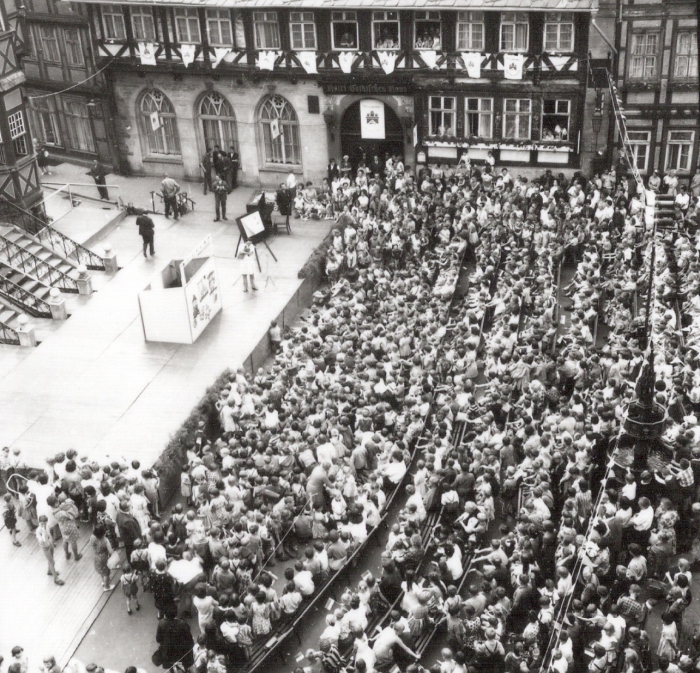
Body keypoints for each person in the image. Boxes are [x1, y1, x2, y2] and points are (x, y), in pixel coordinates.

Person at [154, 605, 195, 671]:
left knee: (172, 665)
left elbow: (158, 639)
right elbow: (189, 639)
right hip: (181, 651)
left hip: (168, 652)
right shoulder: (182, 624)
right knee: (183, 664)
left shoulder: (161, 623)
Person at [48, 493, 82, 561]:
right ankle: (76, 556)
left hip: (62, 527)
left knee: (65, 540)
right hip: (70, 526)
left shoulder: (53, 511)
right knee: (73, 542)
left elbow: (60, 508)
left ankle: (67, 554)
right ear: (55, 503)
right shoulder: (62, 512)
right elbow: (72, 517)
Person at [36, 515, 64, 585]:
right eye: (42, 524)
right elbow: (42, 540)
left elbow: (49, 535)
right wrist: (43, 533)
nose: (43, 525)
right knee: (52, 562)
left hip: (50, 544)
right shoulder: (38, 531)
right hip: (45, 547)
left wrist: (53, 542)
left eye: (45, 523)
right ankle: (56, 578)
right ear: (39, 523)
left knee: (51, 558)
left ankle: (50, 571)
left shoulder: (47, 526)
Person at [90, 524, 115, 592]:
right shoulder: (105, 540)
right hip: (104, 558)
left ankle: (103, 582)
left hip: (96, 556)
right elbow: (110, 551)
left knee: (101, 571)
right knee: (106, 573)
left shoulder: (92, 537)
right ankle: (107, 586)